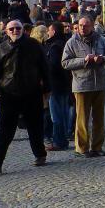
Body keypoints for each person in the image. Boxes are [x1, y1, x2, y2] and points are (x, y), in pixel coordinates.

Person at [0, 20, 50, 174]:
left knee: (35, 127)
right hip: (9, 94)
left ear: (23, 30)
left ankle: (40, 154)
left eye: (18, 28)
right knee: (4, 130)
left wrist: (47, 90)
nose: (15, 31)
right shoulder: (1, 48)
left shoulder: (34, 45)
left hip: (32, 92)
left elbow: (45, 67)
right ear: (7, 31)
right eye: (12, 29)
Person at [61, 16, 105, 157]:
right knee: (82, 118)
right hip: (82, 84)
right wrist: (83, 60)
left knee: (99, 118)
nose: (83, 28)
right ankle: (81, 148)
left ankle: (97, 147)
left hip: (99, 84)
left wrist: (102, 59)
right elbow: (65, 63)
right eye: (81, 25)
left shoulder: (101, 40)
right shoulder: (71, 42)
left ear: (91, 26)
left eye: (86, 25)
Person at [43, 23, 72, 152]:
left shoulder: (54, 46)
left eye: (49, 30)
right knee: (64, 112)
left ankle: (59, 141)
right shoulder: (65, 42)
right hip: (65, 83)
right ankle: (63, 138)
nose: (47, 33)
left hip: (55, 84)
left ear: (53, 31)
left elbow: (53, 65)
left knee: (57, 115)